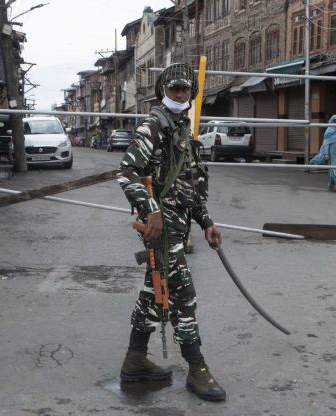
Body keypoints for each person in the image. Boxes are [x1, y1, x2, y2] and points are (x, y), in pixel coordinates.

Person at [116, 63, 226, 402]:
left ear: (192, 92)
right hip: (160, 228)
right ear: (162, 89)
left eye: (184, 89)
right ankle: (197, 367)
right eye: (173, 88)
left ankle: (135, 360)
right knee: (182, 293)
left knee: (155, 288)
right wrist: (152, 210)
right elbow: (127, 173)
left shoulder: (182, 129)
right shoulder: (153, 126)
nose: (179, 94)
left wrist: (206, 222)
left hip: (180, 225)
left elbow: (188, 185)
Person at [309, 114, 336, 192]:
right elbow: (326, 143)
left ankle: (331, 184)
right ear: (332, 121)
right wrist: (326, 153)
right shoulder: (329, 130)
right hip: (333, 153)